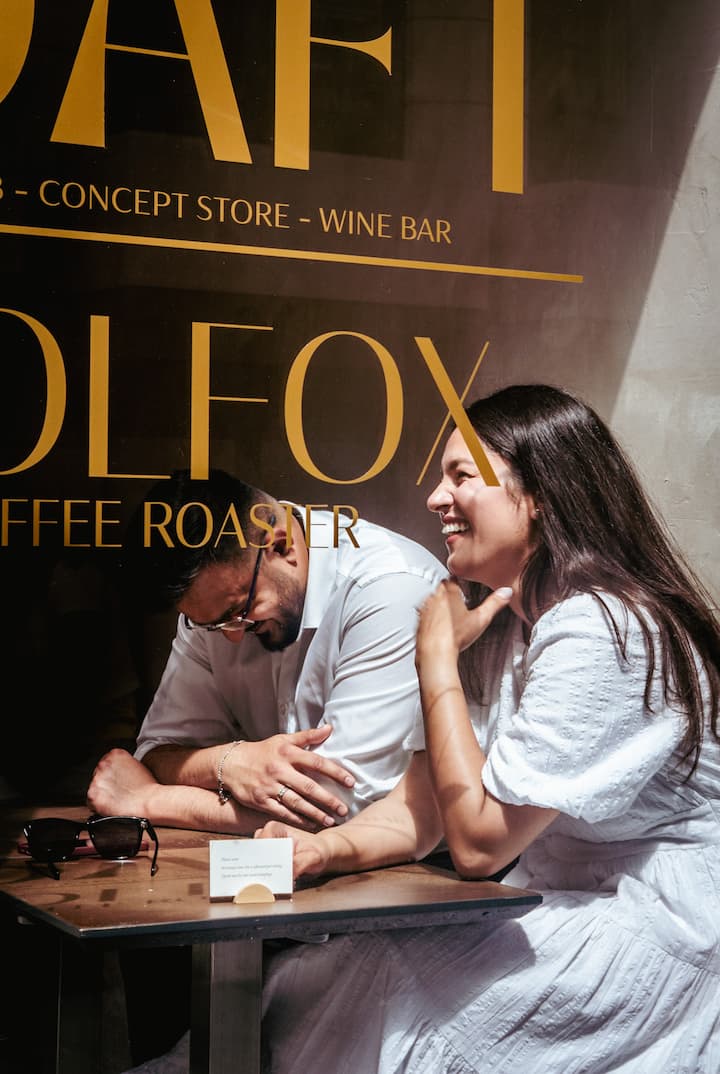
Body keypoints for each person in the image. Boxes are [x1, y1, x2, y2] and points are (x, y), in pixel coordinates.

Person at [248, 383, 720, 1073]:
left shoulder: (606, 629)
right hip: (561, 894)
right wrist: (323, 850)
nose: (435, 498)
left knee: (389, 983)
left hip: (663, 926)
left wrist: (436, 661)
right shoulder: (501, 624)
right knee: (317, 972)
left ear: (542, 495)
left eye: (461, 475)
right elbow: (423, 808)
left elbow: (476, 845)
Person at [88, 468, 447, 831]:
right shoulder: (216, 608)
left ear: (281, 547)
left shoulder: (388, 590)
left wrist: (150, 801)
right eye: (210, 625)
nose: (230, 638)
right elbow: (157, 752)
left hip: (427, 862)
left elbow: (336, 807)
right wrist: (229, 762)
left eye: (240, 611)